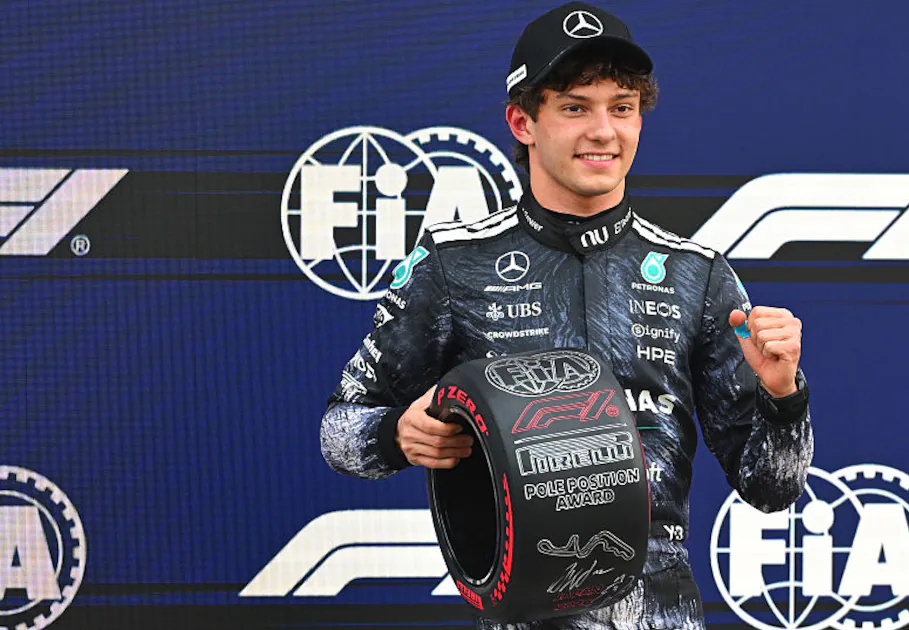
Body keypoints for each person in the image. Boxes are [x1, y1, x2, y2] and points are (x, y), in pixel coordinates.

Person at [319, 2, 814, 628]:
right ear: (523, 121)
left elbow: (773, 488)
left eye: (622, 108)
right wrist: (396, 434)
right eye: (576, 108)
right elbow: (339, 431)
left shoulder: (698, 274)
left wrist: (783, 395)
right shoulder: (452, 264)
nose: (604, 131)